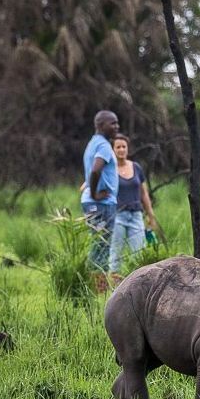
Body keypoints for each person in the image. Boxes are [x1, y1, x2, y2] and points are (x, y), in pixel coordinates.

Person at [109, 134, 160, 273]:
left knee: (139, 253)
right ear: (113, 149)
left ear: (127, 148)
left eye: (123, 146)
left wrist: (151, 215)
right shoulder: (109, 169)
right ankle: (113, 287)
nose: (121, 149)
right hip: (117, 216)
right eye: (118, 147)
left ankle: (139, 286)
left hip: (136, 215)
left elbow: (144, 193)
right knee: (115, 254)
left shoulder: (136, 167)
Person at [81, 110, 120, 280]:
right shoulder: (103, 145)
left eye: (117, 122)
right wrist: (96, 194)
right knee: (102, 248)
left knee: (97, 245)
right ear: (100, 125)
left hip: (92, 203)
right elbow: (96, 170)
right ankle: (99, 288)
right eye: (112, 123)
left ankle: (93, 284)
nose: (116, 126)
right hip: (101, 204)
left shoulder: (93, 143)